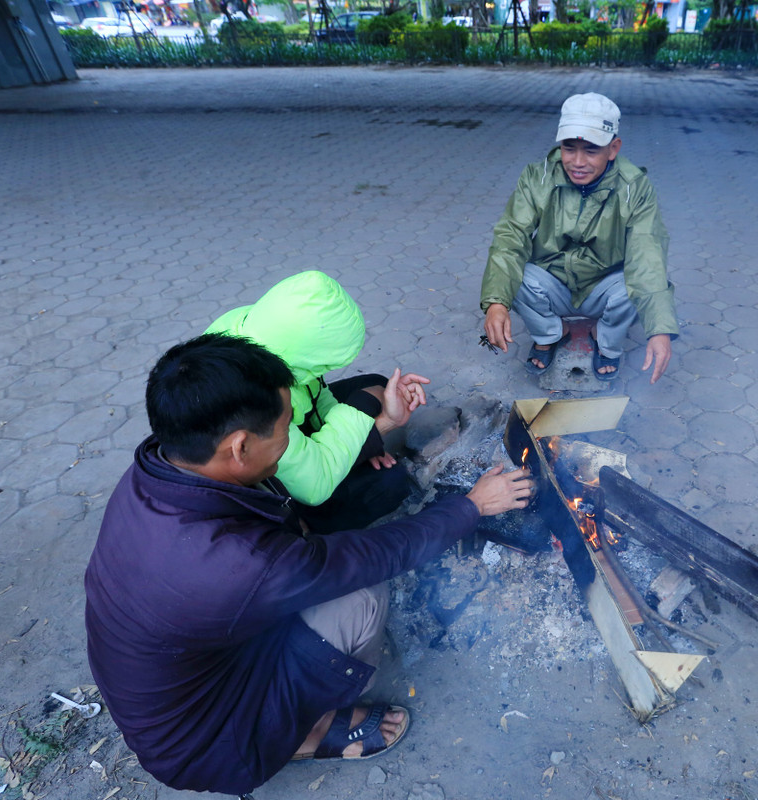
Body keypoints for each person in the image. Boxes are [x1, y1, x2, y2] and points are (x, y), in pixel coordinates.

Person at [84, 333, 532, 795]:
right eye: (286, 427)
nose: (292, 435)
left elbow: (305, 476)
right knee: (360, 598)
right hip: (211, 744)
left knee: (318, 523)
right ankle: (308, 732)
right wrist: (472, 506)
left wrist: (380, 425)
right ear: (239, 446)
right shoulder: (236, 564)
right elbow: (371, 557)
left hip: (187, 675)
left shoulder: (160, 468)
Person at [207, 270, 427, 533]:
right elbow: (314, 486)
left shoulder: (262, 331)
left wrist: (360, 441)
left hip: (291, 427)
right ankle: (308, 528)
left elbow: (316, 389)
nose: (324, 369)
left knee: (376, 385)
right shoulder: (253, 400)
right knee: (390, 482)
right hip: (271, 477)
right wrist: (379, 427)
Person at [481, 92, 679, 383]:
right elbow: (510, 237)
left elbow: (647, 255)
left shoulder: (634, 187)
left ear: (613, 149)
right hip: (553, 280)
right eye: (569, 148)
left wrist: (659, 328)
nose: (577, 161)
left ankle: (606, 338)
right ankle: (550, 333)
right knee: (513, 275)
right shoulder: (537, 177)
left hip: (605, 284)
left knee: (635, 284)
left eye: (591, 150)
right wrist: (496, 303)